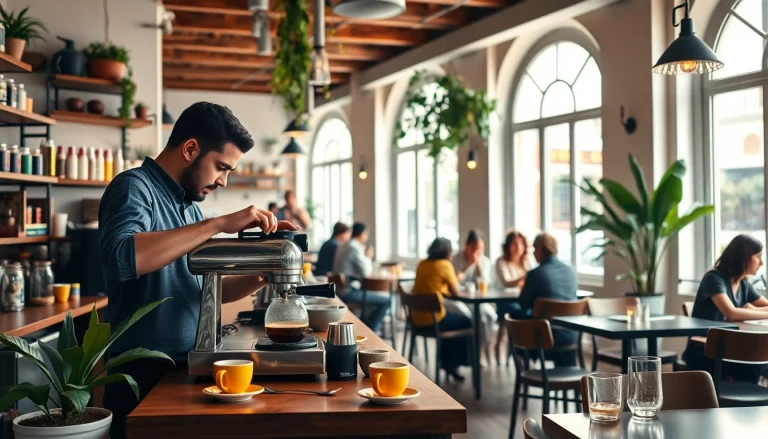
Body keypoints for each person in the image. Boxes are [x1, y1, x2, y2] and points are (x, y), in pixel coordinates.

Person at [98, 102, 299, 439]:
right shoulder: (134, 187)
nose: (223, 181)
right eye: (221, 167)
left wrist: (269, 266)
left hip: (189, 365)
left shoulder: (188, 209)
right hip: (142, 373)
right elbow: (121, 259)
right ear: (191, 148)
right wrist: (219, 224)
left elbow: (208, 289)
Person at [682, 235, 768, 383]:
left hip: (731, 350)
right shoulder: (714, 278)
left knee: (760, 363)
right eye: (758, 256)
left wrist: (752, 309)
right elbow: (731, 313)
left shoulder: (743, 284)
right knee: (757, 365)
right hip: (705, 351)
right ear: (745, 257)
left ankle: (749, 401)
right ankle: (743, 402)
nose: (761, 262)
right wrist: (754, 311)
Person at [507, 232, 578, 367]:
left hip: (543, 339)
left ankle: (522, 361)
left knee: (514, 314)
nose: (533, 254)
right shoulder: (571, 271)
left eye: (534, 249)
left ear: (539, 250)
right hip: (572, 335)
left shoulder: (535, 274)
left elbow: (523, 303)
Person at [411, 238, 472, 381]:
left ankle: (447, 363)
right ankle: (453, 363)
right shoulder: (445, 265)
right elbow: (456, 292)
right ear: (448, 252)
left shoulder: (422, 264)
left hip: (416, 318)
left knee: (452, 319)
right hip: (433, 320)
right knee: (466, 321)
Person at [332, 222, 391, 332]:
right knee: (387, 300)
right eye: (366, 234)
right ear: (362, 234)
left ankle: (368, 327)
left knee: (373, 298)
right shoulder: (355, 247)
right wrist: (368, 256)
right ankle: (371, 329)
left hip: (339, 290)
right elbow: (366, 273)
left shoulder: (343, 245)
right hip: (348, 292)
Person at [451, 229, 497, 366]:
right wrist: (468, 265)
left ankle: (485, 346)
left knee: (491, 315)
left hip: (478, 299)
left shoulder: (485, 261)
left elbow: (485, 283)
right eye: (474, 248)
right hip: (462, 301)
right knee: (481, 318)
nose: (478, 252)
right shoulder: (456, 259)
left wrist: (477, 265)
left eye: (481, 249)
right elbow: (453, 282)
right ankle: (479, 353)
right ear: (467, 246)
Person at [493, 229, 530, 362]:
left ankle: (522, 353)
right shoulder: (501, 261)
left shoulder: (526, 262)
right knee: (517, 314)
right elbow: (506, 282)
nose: (518, 247)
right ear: (507, 246)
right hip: (505, 301)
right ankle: (509, 353)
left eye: (521, 244)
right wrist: (525, 276)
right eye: (514, 244)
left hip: (521, 299)